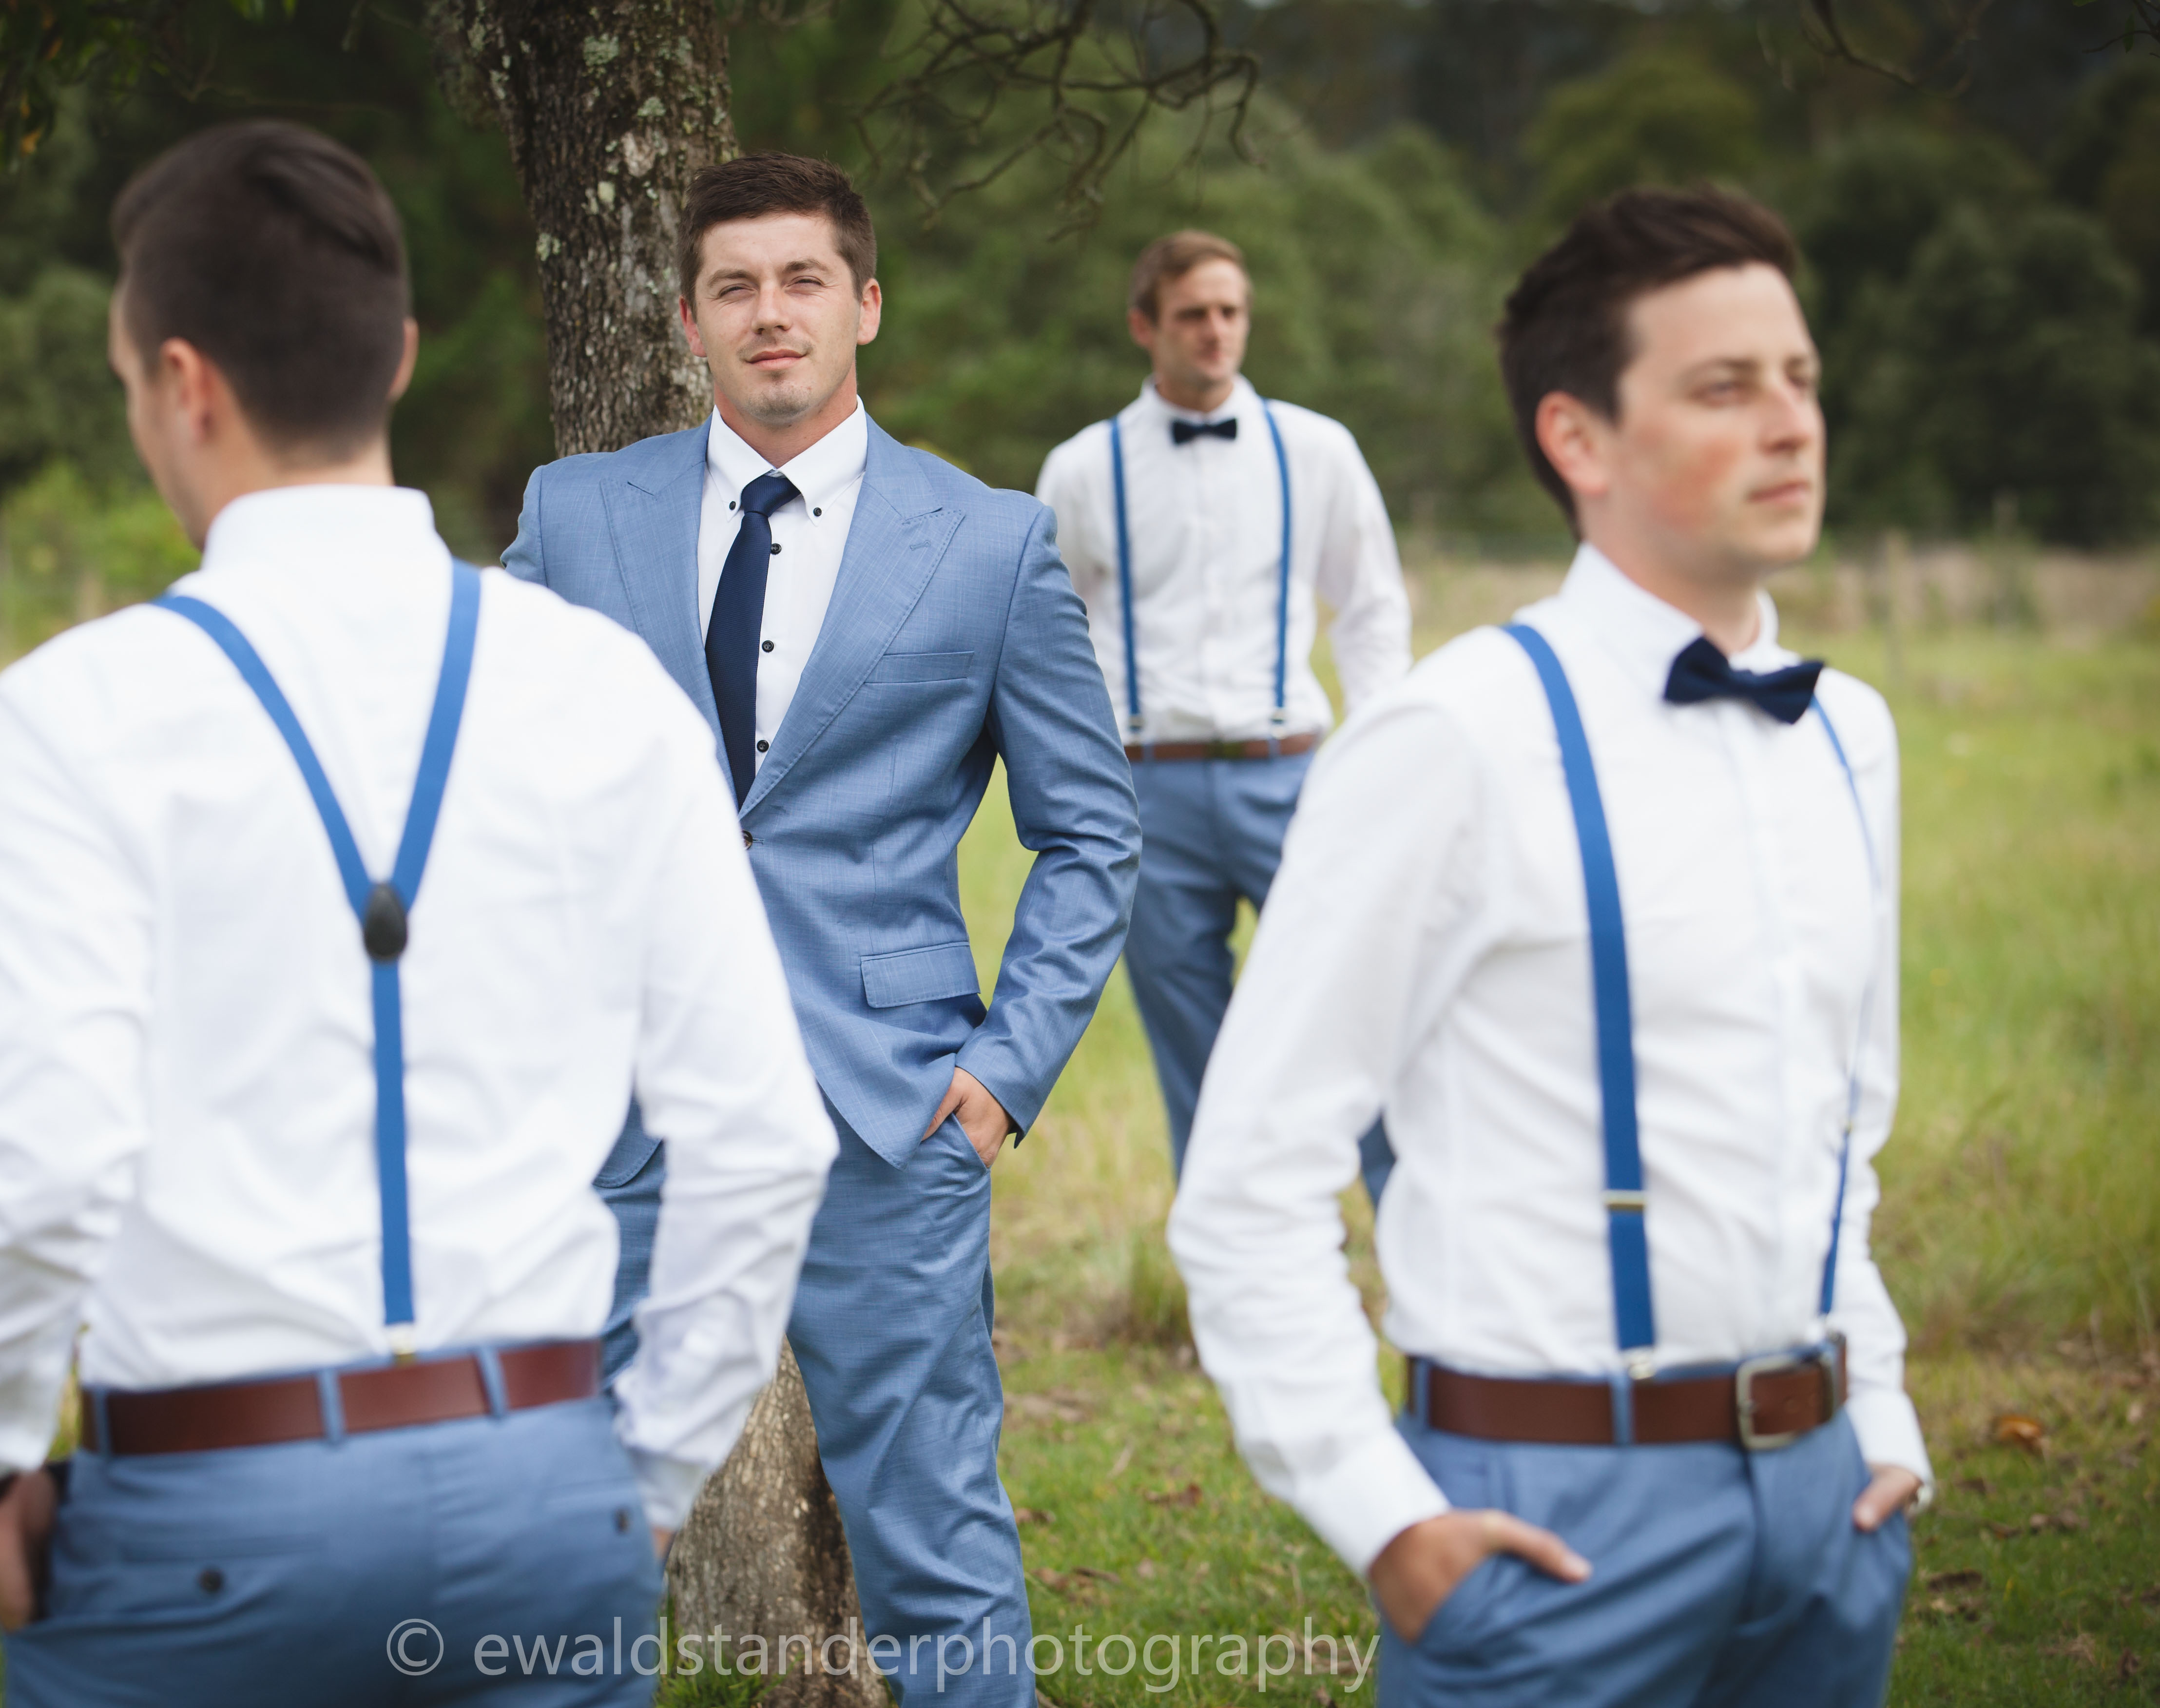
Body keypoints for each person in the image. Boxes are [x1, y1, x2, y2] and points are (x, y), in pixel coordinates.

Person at [0, 121, 836, 1708]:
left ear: (181, 384)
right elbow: (760, 1141)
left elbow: (45, 1150)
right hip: (545, 1495)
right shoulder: (609, 692)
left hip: (205, 1517)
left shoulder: (79, 710)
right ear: (397, 355)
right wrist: (643, 1477)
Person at [1170, 185, 1929, 1708]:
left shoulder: (1850, 733)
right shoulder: (1453, 736)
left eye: (1800, 377)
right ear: (1578, 437)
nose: (1792, 422)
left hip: (1831, 1510)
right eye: (1725, 387)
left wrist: (1884, 1412)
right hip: (1551, 1519)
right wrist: (1383, 1516)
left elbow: (1843, 1131)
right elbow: (1250, 1178)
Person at [502, 153, 1137, 1708]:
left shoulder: (990, 544)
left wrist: (1001, 1078)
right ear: (689, 322)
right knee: (561, 1531)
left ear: (865, 304)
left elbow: (1092, 833)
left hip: (888, 1117)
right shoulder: (574, 517)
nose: (768, 313)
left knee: (936, 1546)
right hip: (624, 1115)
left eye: (802, 281)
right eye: (734, 287)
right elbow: (481, 773)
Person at [1035, 230, 1410, 1174]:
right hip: (1148, 791)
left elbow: (1371, 609)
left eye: (1231, 312)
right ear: (1145, 327)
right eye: (1193, 314)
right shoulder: (1083, 468)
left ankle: (1409, 1236)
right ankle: (1232, 1251)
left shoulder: (1318, 451)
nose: (1216, 331)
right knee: (1195, 1054)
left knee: (1354, 1016)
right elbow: (1050, 637)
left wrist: (1378, 756)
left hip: (1292, 777)